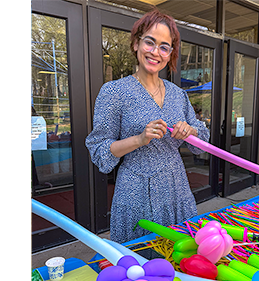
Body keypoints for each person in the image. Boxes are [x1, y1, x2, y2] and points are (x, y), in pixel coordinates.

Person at [85, 10, 209, 244]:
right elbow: (99, 150)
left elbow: (201, 143)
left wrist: (191, 131)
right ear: (136, 43)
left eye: (164, 47)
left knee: (181, 254)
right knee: (140, 257)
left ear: (170, 53)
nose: (155, 52)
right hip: (135, 192)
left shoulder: (178, 95)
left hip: (176, 189)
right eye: (149, 42)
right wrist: (139, 139)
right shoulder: (114, 92)